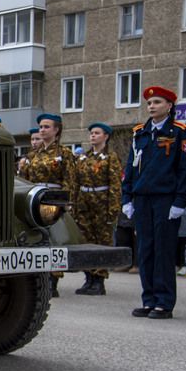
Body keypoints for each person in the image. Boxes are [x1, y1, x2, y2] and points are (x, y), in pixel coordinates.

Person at [122, 85, 186, 320]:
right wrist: (127, 197)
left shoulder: (179, 132)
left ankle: (164, 302)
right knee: (145, 251)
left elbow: (184, 169)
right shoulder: (140, 132)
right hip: (142, 199)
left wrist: (180, 200)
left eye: (157, 102)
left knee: (163, 251)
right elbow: (131, 166)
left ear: (169, 106)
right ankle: (149, 299)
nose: (152, 106)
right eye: (149, 103)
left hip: (165, 199)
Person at [26, 112, 77, 297]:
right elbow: (26, 178)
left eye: (47, 127)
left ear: (56, 130)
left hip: (54, 200)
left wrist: (67, 203)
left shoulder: (64, 153)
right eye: (41, 127)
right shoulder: (34, 154)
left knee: (55, 240)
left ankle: (53, 279)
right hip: (35, 200)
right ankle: (40, 277)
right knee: (37, 239)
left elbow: (70, 180)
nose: (42, 130)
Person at [72, 122, 122, 295]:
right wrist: (74, 205)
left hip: (101, 204)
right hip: (84, 204)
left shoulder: (110, 157)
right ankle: (89, 278)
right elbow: (76, 183)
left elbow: (115, 185)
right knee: (86, 241)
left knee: (102, 242)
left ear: (106, 136)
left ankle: (99, 280)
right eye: (91, 133)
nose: (93, 136)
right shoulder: (83, 158)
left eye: (97, 133)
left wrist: (113, 210)